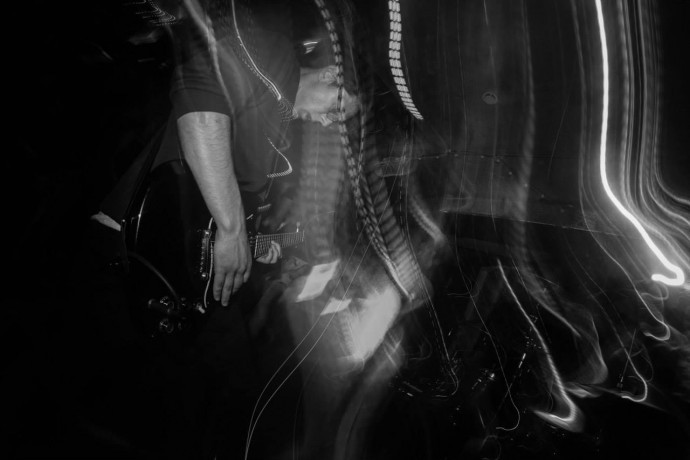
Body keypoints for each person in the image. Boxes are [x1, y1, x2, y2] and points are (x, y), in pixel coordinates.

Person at [74, 1, 361, 458]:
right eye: (338, 108)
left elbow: (229, 207)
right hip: (135, 253)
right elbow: (200, 112)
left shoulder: (279, 122)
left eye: (336, 121)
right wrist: (231, 231)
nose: (329, 121)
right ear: (330, 76)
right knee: (213, 392)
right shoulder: (272, 52)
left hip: (181, 273)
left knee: (203, 398)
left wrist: (255, 241)